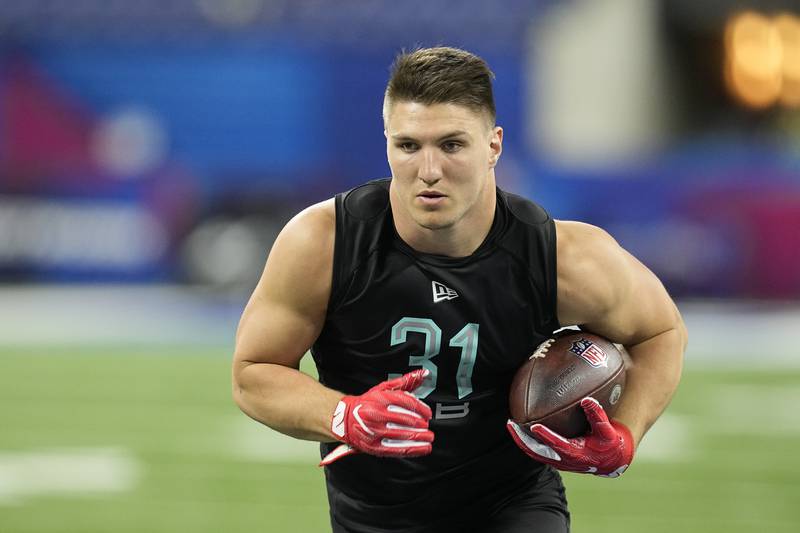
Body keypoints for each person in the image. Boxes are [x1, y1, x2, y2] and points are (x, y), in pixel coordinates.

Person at [232, 46, 687, 533]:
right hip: (375, 516)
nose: (428, 170)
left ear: (493, 146)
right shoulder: (325, 242)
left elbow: (660, 331)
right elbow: (253, 372)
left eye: (451, 145)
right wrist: (344, 413)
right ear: (386, 143)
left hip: (512, 503)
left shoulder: (561, 255)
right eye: (408, 146)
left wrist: (625, 434)